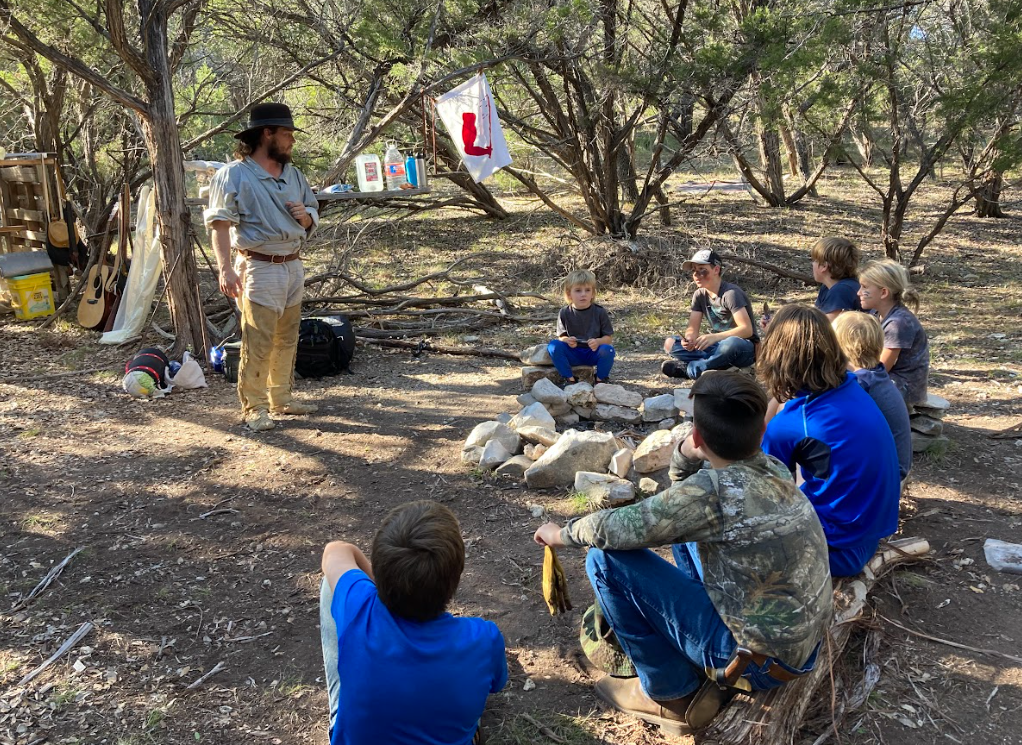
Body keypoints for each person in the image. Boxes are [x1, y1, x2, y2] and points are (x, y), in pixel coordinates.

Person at [534, 372, 832, 736]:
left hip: (755, 661)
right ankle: (689, 650)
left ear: (698, 435)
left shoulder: (713, 493)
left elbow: (613, 529)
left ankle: (670, 693)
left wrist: (561, 534)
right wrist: (685, 458)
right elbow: (681, 501)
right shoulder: (773, 467)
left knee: (603, 559)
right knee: (680, 529)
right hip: (800, 644)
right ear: (759, 431)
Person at [320, 501, 507, 745]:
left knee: (334, 585)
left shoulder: (360, 608)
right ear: (456, 577)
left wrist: (378, 587)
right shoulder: (484, 637)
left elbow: (336, 550)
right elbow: (496, 686)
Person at [760, 304, 901, 577]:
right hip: (867, 534)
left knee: (698, 528)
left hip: (835, 550)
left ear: (775, 357)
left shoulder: (792, 424)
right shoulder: (852, 384)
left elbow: (762, 488)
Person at [204, 102, 320, 432]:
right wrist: (225, 269)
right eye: (286, 134)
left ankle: (280, 397)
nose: (291, 141)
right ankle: (253, 406)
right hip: (259, 265)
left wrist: (307, 216)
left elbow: (312, 209)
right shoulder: (234, 175)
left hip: (292, 264)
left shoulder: (294, 174)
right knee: (259, 338)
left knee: (287, 336)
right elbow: (220, 225)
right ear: (266, 134)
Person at [832, 312, 912, 481]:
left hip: (886, 474)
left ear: (839, 347)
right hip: (893, 466)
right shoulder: (876, 374)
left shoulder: (860, 386)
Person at [662, 250, 758, 380]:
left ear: (716, 270)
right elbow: (692, 329)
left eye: (702, 270)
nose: (697, 275)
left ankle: (691, 370)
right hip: (718, 347)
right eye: (694, 271)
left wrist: (715, 337)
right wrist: (689, 340)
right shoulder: (699, 294)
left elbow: (746, 330)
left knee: (730, 344)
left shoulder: (731, 294)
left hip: (743, 348)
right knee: (670, 343)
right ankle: (719, 366)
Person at [857, 259, 930, 407]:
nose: (858, 293)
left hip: (903, 387)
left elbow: (881, 370)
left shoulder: (898, 323)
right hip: (889, 381)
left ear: (884, 292)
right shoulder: (876, 314)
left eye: (864, 287)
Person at [547, 269, 615, 384]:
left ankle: (600, 380)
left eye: (587, 290)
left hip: (592, 353)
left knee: (608, 350)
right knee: (553, 346)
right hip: (573, 353)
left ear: (593, 293)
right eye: (578, 290)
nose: (583, 294)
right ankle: (570, 379)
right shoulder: (564, 312)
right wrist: (567, 340)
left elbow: (608, 339)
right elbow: (561, 336)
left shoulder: (600, 312)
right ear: (569, 294)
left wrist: (598, 342)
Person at [811, 236, 861, 320]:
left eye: (815, 261)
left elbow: (826, 328)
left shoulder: (841, 291)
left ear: (824, 266)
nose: (812, 264)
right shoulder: (827, 288)